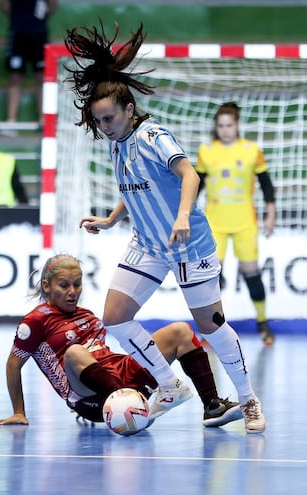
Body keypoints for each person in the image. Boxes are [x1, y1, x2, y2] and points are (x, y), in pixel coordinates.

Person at [64, 22, 266, 433]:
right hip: (149, 245)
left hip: (189, 244)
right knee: (116, 318)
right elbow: (136, 188)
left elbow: (188, 175)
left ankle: (248, 400)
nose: (103, 127)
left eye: (108, 119)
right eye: (98, 121)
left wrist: (180, 217)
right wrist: (111, 218)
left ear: (128, 111)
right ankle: (169, 383)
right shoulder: (117, 143)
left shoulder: (154, 135)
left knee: (211, 325)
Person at [0, 253, 243, 428]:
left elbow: (102, 354)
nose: (72, 291)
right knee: (75, 352)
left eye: (77, 284)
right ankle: (122, 401)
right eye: (64, 285)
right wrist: (19, 412)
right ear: (46, 286)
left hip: (120, 372)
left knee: (181, 331)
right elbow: (13, 365)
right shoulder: (36, 321)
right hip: (90, 398)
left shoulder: (87, 315)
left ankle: (212, 405)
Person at [195, 102, 276, 346]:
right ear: (216, 128)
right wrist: (185, 213)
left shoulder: (251, 150)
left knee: (251, 273)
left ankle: (263, 323)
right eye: (220, 125)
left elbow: (266, 183)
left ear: (237, 125)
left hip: (244, 222)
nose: (225, 130)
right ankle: (214, 329)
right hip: (215, 223)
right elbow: (196, 185)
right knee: (212, 276)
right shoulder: (207, 151)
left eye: (229, 125)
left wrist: (270, 213)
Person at [0, 0, 57, 134]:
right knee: (15, 77)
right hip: (18, 33)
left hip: (39, 34)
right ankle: (11, 120)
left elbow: (53, 5)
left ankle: (44, 120)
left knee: (43, 77)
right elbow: (4, 5)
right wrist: (19, 18)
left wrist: (37, 19)